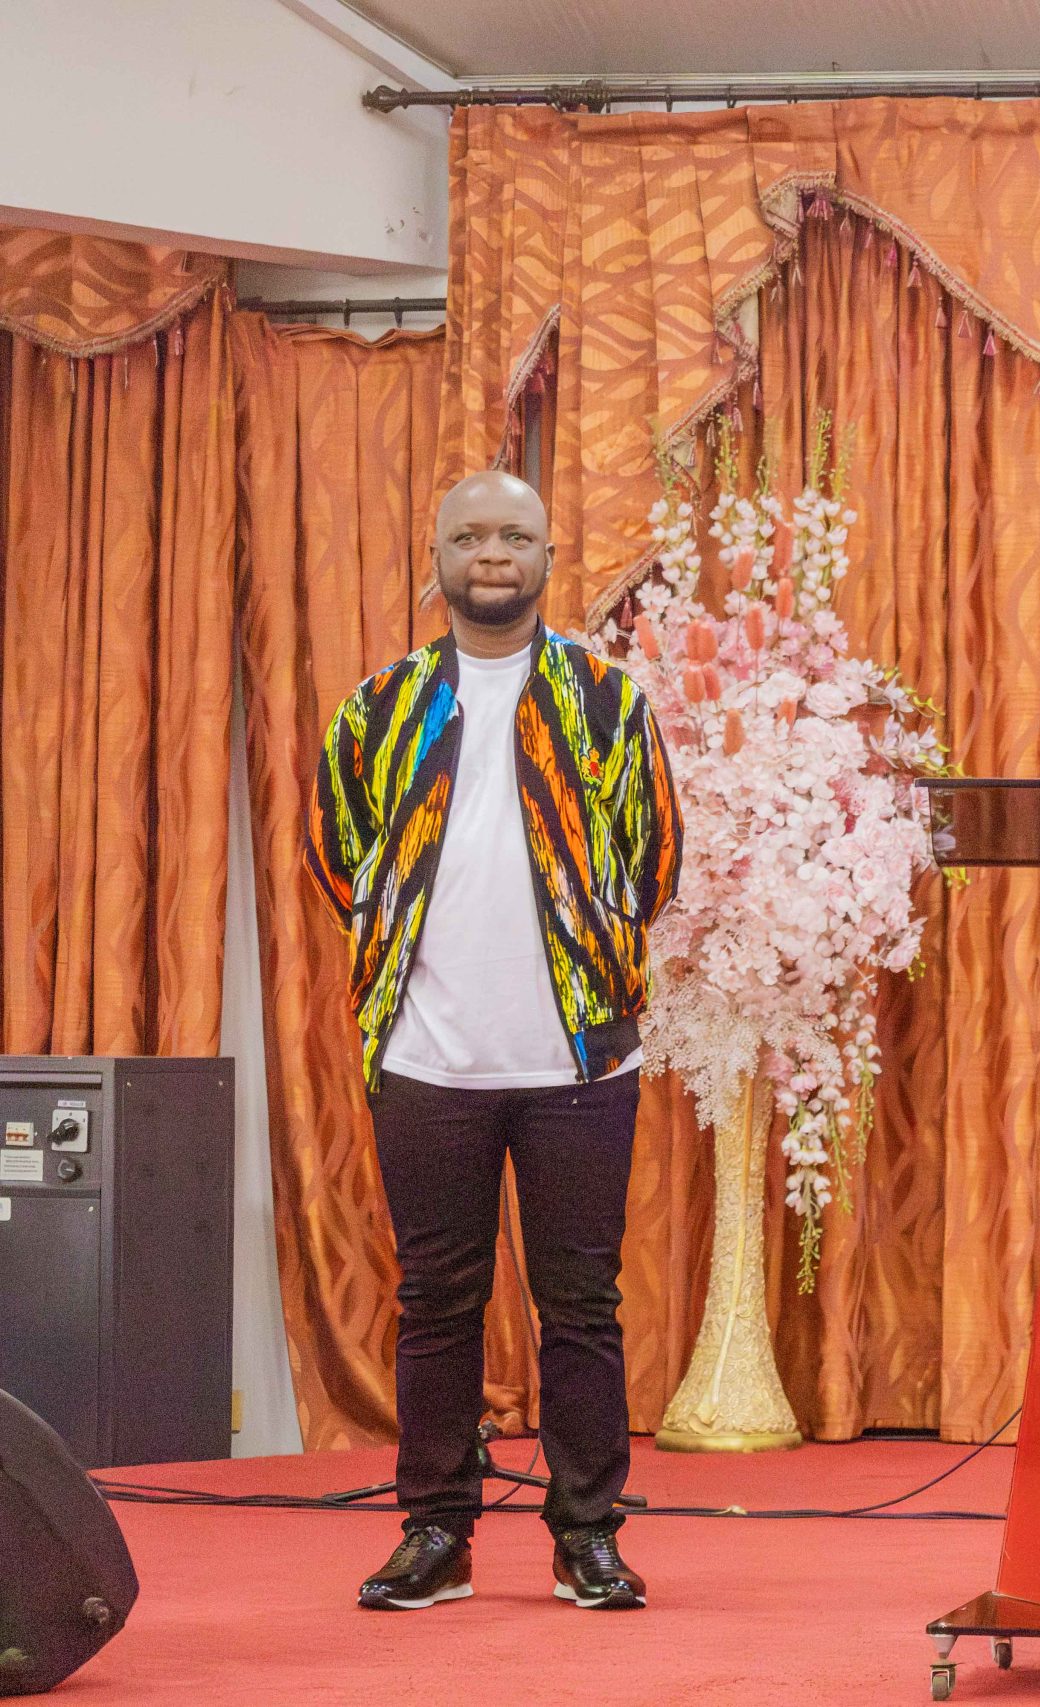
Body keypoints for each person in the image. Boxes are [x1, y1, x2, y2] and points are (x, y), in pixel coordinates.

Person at [306, 470, 682, 1612]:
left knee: (583, 1307)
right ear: (437, 559)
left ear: (548, 555)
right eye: (468, 535)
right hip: (427, 1060)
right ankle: (436, 1533)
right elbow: (336, 852)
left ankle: (587, 1537)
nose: (492, 552)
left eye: (513, 534)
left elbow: (656, 856)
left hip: (580, 1063)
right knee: (435, 1302)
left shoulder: (608, 702)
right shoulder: (377, 708)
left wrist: (589, 943)